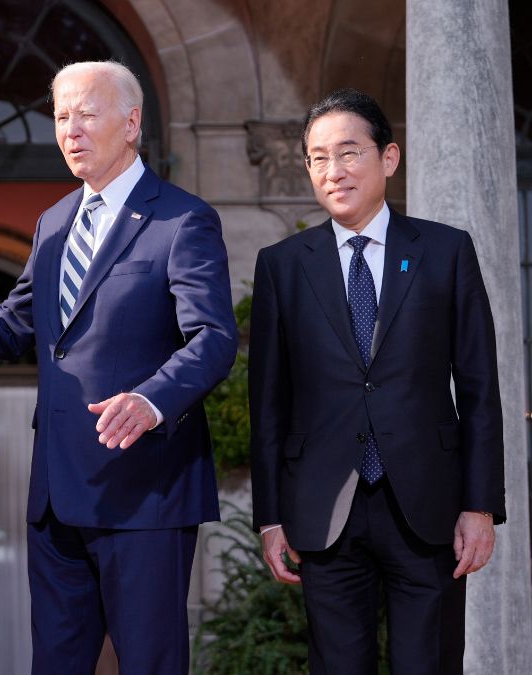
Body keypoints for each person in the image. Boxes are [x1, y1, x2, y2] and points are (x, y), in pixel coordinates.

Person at [0, 61, 238, 674]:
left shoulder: (183, 219)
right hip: (56, 495)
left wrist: (151, 400)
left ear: (131, 122)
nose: (71, 130)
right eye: (62, 116)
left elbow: (214, 338)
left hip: (145, 489)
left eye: (87, 114)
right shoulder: (53, 223)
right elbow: (15, 329)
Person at [248, 87, 505, 674]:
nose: (332, 171)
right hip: (322, 510)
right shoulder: (282, 266)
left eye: (348, 152)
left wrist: (480, 504)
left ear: (388, 158)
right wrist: (270, 517)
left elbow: (480, 388)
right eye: (317, 157)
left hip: (429, 506)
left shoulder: (446, 251)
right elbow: (268, 401)